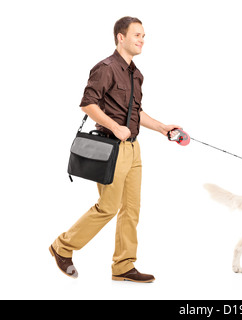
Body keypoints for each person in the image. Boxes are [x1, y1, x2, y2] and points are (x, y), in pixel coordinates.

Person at [49, 16, 181, 283]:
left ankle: (123, 265)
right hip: (112, 148)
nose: (142, 40)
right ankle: (62, 247)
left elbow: (136, 113)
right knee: (108, 207)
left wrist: (163, 127)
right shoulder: (106, 68)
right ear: (121, 37)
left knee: (132, 210)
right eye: (137, 35)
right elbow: (88, 104)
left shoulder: (137, 74)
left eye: (144, 35)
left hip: (134, 150)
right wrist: (115, 126)